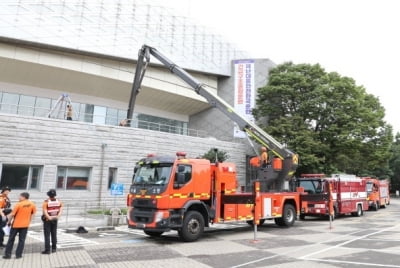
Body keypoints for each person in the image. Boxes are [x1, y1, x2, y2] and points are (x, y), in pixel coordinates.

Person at [3, 192, 36, 259]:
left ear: (24, 197)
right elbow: (33, 213)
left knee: (11, 239)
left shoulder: (19, 204)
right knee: (22, 240)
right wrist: (29, 221)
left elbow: (12, 215)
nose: (19, 197)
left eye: (20, 196)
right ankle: (18, 255)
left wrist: (8, 222)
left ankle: (8, 255)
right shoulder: (32, 204)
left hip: (16, 225)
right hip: (25, 225)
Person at [41, 189, 63, 254]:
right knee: (54, 234)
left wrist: (49, 218)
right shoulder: (59, 201)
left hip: (48, 220)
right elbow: (61, 210)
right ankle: (54, 248)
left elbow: (45, 212)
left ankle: (47, 250)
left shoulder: (46, 202)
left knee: (47, 235)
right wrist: (57, 217)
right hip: (55, 219)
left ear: (48, 195)